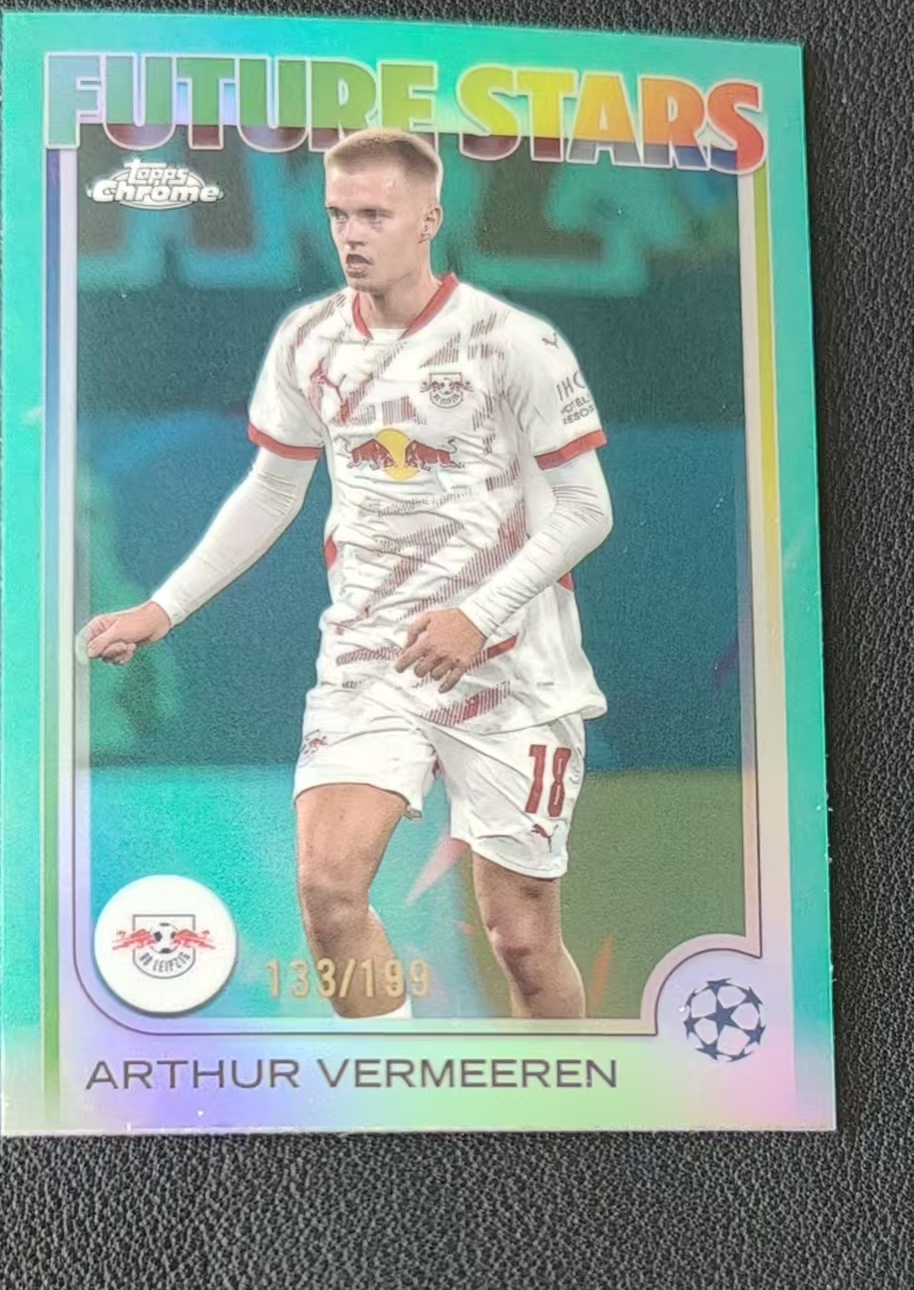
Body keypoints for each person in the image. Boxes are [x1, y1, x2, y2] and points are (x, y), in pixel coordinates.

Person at [85, 127, 614, 1020]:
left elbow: (587, 508)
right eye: (338, 215)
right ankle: (393, 1084)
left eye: (375, 214)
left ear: (429, 220)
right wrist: (162, 609)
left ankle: (565, 1098)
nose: (353, 235)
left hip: (511, 672)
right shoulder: (310, 340)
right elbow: (272, 490)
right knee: (329, 892)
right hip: (372, 662)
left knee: (521, 938)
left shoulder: (513, 342)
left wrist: (477, 616)